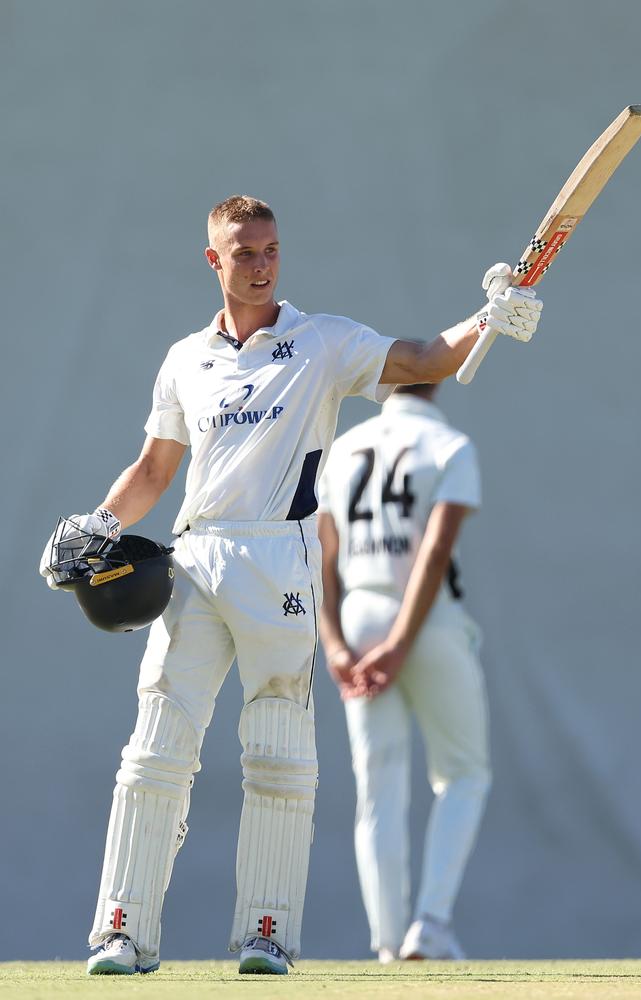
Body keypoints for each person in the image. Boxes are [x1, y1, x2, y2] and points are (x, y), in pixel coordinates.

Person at [39, 196, 541, 976]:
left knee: (277, 750)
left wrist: (490, 318)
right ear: (215, 260)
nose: (263, 263)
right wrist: (96, 523)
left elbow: (421, 358)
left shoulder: (323, 342)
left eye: (271, 249)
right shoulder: (184, 359)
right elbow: (154, 470)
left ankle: (265, 933)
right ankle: (121, 933)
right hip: (196, 557)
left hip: (282, 564)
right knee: (155, 748)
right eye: (245, 253)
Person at [318, 379, 490, 963]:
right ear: (436, 384)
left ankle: (389, 943)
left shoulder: (344, 447)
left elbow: (324, 553)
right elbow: (435, 552)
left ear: (382, 389)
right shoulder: (449, 444)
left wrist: (335, 643)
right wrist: (401, 641)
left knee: (378, 790)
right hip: (428, 619)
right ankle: (431, 925)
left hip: (358, 611)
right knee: (465, 774)